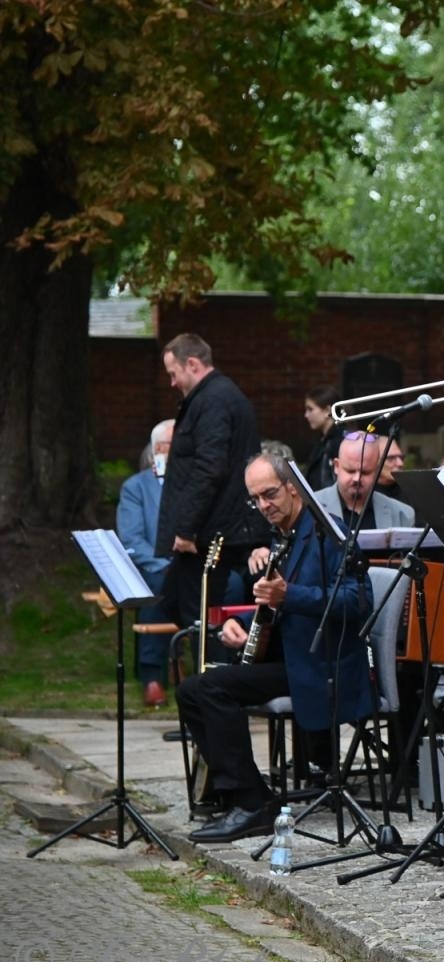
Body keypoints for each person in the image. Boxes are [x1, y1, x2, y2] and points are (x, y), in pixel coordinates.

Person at [178, 452, 374, 842]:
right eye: (255, 499)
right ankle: (239, 794)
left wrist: (289, 595)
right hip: (290, 658)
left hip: (323, 664)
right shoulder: (284, 535)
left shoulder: (328, 532)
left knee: (210, 689)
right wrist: (242, 623)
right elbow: (276, 603)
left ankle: (251, 803)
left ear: (293, 488)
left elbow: (359, 601)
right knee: (191, 689)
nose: (264, 505)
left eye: (270, 494)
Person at [156, 333, 263, 631]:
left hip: (210, 531)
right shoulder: (214, 397)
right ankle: (216, 653)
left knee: (199, 617)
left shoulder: (213, 400)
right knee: (173, 600)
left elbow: (209, 468)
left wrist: (186, 529)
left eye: (173, 374)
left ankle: (216, 659)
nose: (172, 383)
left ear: (192, 364)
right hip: (212, 526)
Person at [117, 419, 176, 707]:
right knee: (159, 584)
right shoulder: (136, 487)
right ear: (159, 449)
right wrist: (165, 563)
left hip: (193, 564)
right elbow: (132, 539)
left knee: (232, 583)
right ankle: (152, 676)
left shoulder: (197, 484)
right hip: (154, 566)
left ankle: (221, 667)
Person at [313, 432, 416, 534]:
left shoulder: (402, 514)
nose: (357, 478)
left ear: (377, 471)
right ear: (336, 466)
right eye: (350, 471)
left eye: (365, 472)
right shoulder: (312, 507)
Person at [303, 384, 342, 491]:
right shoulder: (324, 440)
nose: (306, 415)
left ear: (327, 411)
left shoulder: (337, 442)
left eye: (310, 409)